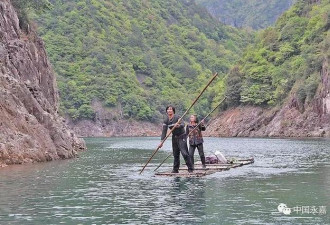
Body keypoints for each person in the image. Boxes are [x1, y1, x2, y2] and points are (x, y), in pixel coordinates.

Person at [158, 105, 194, 173]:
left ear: (173, 111)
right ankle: (175, 169)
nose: (169, 110)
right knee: (175, 154)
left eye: (171, 109)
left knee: (184, 153)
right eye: (168, 109)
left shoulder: (177, 117)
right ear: (166, 111)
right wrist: (161, 142)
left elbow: (183, 124)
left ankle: (190, 168)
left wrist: (178, 125)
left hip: (182, 136)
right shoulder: (166, 120)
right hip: (174, 137)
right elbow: (164, 131)